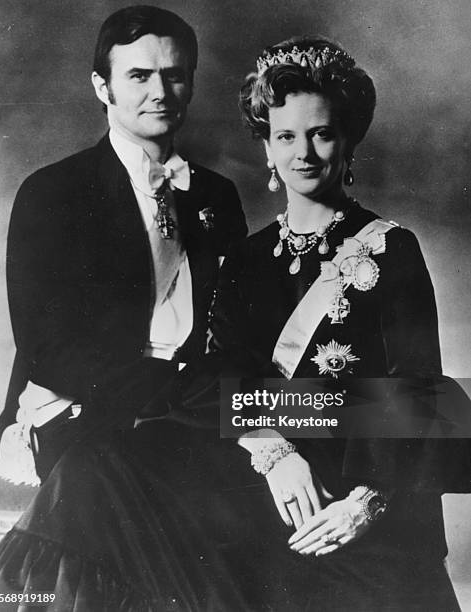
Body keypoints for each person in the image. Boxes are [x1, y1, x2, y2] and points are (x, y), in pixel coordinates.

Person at [201, 36, 467, 610]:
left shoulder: (394, 249)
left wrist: (364, 504)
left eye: (321, 134)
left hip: (369, 513)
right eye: (285, 136)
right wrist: (277, 454)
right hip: (270, 501)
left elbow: (421, 395)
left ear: (347, 142)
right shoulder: (245, 260)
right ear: (267, 149)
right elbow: (223, 379)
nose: (304, 153)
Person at [0, 5, 246, 485]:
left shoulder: (217, 195)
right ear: (102, 87)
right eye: (138, 76)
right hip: (84, 419)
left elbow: (229, 328)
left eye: (174, 76)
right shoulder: (52, 191)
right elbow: (50, 349)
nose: (159, 92)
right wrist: (183, 392)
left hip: (188, 419)